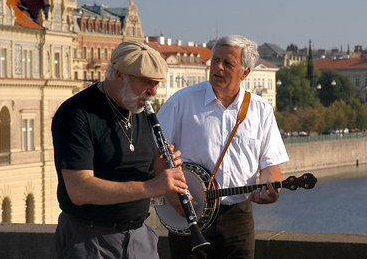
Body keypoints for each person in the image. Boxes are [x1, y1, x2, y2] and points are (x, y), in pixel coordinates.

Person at [52, 40, 188, 259]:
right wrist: (151, 186)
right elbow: (79, 189)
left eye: (157, 83)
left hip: (139, 238)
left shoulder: (139, 110)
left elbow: (138, 170)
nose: (153, 92)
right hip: (90, 240)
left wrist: (159, 169)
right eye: (147, 82)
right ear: (119, 74)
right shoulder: (76, 113)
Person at [157, 35, 289, 259]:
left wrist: (271, 190)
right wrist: (171, 194)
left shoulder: (261, 110)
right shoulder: (180, 102)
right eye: (215, 60)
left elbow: (270, 166)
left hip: (238, 217)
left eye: (228, 63)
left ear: (245, 72)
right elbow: (156, 156)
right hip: (190, 213)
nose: (217, 67)